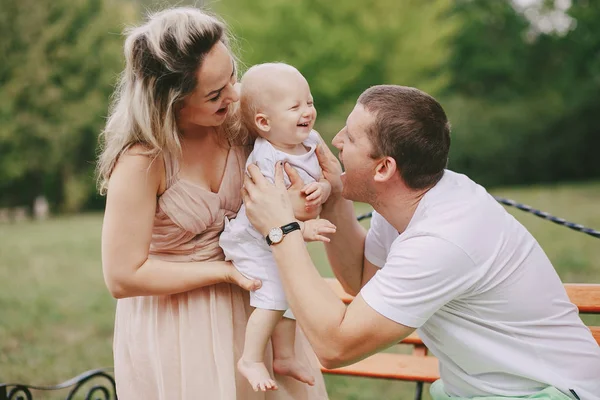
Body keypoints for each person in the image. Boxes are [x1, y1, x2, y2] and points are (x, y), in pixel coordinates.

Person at [241, 85, 600, 399]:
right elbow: (364, 281)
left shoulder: (443, 237)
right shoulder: (409, 199)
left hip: (552, 393)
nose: (334, 140)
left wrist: (281, 231)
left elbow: (335, 347)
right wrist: (335, 198)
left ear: (384, 169)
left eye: (349, 138)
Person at [97, 7, 328, 399]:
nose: (234, 96)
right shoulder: (142, 162)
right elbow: (122, 276)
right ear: (170, 101)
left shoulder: (241, 125)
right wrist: (222, 272)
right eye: (215, 94)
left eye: (232, 78)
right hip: (179, 326)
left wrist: (302, 199)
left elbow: (296, 170)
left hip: (259, 308)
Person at [219, 63, 335, 392]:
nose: (307, 111)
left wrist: (324, 189)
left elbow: (327, 179)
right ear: (264, 122)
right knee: (271, 296)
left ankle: (283, 355)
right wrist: (299, 228)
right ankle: (252, 359)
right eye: (295, 106)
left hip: (279, 237)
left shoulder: (310, 141)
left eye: (309, 102)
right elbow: (266, 209)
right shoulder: (265, 159)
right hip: (254, 238)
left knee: (289, 291)